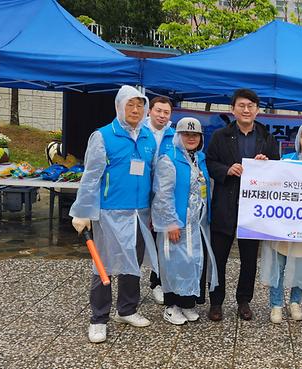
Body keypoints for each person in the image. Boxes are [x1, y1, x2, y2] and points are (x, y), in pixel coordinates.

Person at [70, 85, 158, 343]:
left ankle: (127, 309)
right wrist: (83, 211)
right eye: (130, 105)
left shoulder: (147, 137)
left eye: (140, 106)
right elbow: (91, 177)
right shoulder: (103, 136)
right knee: (104, 266)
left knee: (133, 264)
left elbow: (152, 176)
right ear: (119, 107)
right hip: (110, 212)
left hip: (139, 213)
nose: (135, 110)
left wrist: (154, 211)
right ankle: (99, 318)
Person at [205, 88, 280, 321]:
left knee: (249, 260)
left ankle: (244, 301)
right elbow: (210, 162)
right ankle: (216, 302)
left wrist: (265, 164)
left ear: (257, 110)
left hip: (253, 210)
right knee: (219, 258)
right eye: (241, 106)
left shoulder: (268, 138)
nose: (246, 110)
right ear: (233, 109)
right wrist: (227, 170)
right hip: (225, 205)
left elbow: (277, 171)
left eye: (251, 106)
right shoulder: (220, 135)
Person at [151, 117, 218, 325]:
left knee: (192, 262)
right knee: (174, 263)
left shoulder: (199, 158)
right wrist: (170, 222)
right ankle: (172, 306)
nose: (191, 138)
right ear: (178, 136)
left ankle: (187, 303)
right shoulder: (169, 158)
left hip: (195, 223)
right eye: (186, 134)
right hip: (177, 222)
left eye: (195, 134)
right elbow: (163, 194)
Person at [260, 121, 302, 324]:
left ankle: (296, 301)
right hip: (284, 226)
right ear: (298, 139)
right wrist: (261, 164)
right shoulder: (286, 161)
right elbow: (271, 183)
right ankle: (276, 304)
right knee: (278, 266)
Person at [144, 96, 175, 304]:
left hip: (164, 196)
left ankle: (157, 282)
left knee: (160, 241)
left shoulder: (173, 136)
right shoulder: (140, 132)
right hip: (141, 195)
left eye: (166, 112)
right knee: (139, 243)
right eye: (159, 111)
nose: (162, 115)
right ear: (149, 111)